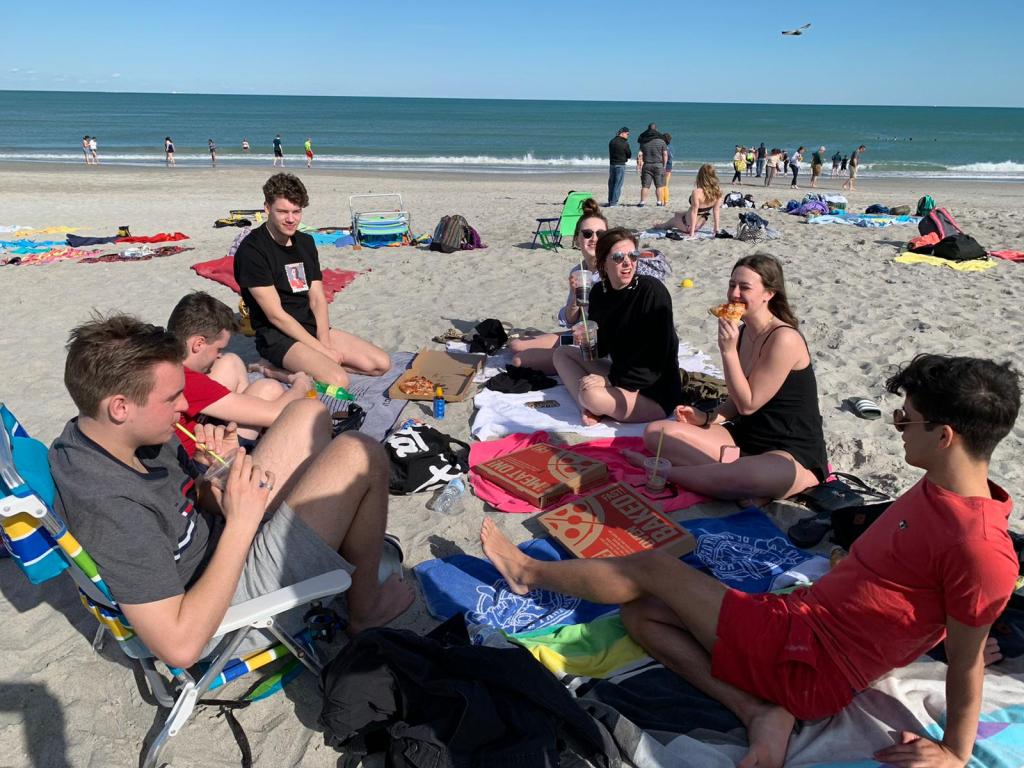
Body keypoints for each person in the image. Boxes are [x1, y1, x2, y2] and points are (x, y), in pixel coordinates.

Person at [480, 351, 1020, 768]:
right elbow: (920, 596)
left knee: (653, 568)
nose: (898, 426)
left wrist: (954, 752)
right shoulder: (941, 488)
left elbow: (967, 660)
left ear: (944, 436)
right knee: (642, 614)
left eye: (907, 420)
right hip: (802, 620)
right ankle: (760, 711)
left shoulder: (978, 547)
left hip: (808, 661)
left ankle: (526, 573)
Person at [49, 315, 415, 670]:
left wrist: (217, 473)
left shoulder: (112, 436)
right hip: (218, 606)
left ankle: (339, 532)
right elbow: (181, 647)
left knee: (307, 412)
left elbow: (188, 503)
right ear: (120, 407)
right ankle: (365, 611)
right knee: (360, 453)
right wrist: (242, 523)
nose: (184, 406)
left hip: (223, 536)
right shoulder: (112, 507)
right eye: (172, 398)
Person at [637, 253, 827, 500]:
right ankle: (724, 476)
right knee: (657, 433)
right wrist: (708, 417)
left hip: (789, 450)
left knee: (747, 477)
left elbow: (748, 405)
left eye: (744, 287)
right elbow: (736, 401)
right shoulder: (744, 330)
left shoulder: (784, 339)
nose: (734, 294)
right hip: (744, 438)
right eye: (732, 285)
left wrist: (727, 351)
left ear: (769, 294)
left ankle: (667, 472)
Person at [234, 173, 391, 388]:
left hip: (309, 326)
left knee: (381, 364)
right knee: (338, 382)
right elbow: (275, 315)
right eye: (283, 212)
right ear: (267, 208)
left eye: (296, 211)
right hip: (277, 336)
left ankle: (316, 364)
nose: (291, 219)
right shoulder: (252, 251)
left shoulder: (305, 242)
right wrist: (322, 351)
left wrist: (324, 342)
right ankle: (271, 369)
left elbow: (317, 298)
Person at [551, 227, 682, 426]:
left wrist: (610, 380)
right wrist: (587, 341)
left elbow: (657, 359)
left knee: (591, 394)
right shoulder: (599, 292)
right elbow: (603, 349)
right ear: (603, 262)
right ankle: (587, 408)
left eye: (633, 255)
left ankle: (591, 404)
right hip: (620, 372)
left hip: (652, 389)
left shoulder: (651, 291)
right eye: (619, 257)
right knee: (562, 354)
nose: (628, 262)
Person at [167, 291, 315, 447]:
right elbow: (275, 413)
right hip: (206, 455)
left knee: (231, 360)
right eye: (218, 349)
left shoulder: (168, 364)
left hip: (202, 431)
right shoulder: (189, 382)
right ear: (199, 344)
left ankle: (249, 416)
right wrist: (301, 384)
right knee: (270, 389)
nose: (219, 355)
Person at [509, 199, 608, 374]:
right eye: (587, 234)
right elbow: (570, 320)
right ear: (577, 239)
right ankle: (565, 353)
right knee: (516, 345)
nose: (594, 238)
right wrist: (575, 297)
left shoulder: (612, 270)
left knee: (519, 360)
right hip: (576, 336)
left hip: (600, 342)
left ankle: (570, 358)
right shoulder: (578, 270)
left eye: (600, 234)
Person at [657, 163, 722, 238]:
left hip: (688, 226)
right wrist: (716, 229)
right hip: (699, 224)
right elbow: (716, 211)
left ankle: (659, 225)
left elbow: (694, 212)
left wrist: (692, 233)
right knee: (677, 213)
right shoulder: (718, 192)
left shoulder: (697, 192)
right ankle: (671, 220)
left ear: (700, 176)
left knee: (672, 221)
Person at [636, 124, 667, 208]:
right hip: (658, 165)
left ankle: (642, 202)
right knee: (659, 185)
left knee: (645, 185)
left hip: (647, 165)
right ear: (656, 130)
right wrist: (664, 165)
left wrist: (639, 165)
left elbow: (640, 155)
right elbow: (665, 154)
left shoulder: (644, 141)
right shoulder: (661, 141)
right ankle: (659, 202)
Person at [607, 127, 631, 207]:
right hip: (620, 164)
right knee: (617, 184)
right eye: (627, 134)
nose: (628, 136)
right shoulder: (624, 143)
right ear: (622, 133)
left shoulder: (612, 141)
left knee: (612, 183)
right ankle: (614, 202)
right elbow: (629, 154)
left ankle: (610, 201)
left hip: (612, 164)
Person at [658, 133, 674, 206]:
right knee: (666, 185)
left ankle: (662, 200)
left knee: (662, 185)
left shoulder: (664, 147)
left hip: (664, 167)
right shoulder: (671, 147)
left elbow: (664, 157)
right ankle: (665, 201)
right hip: (669, 167)